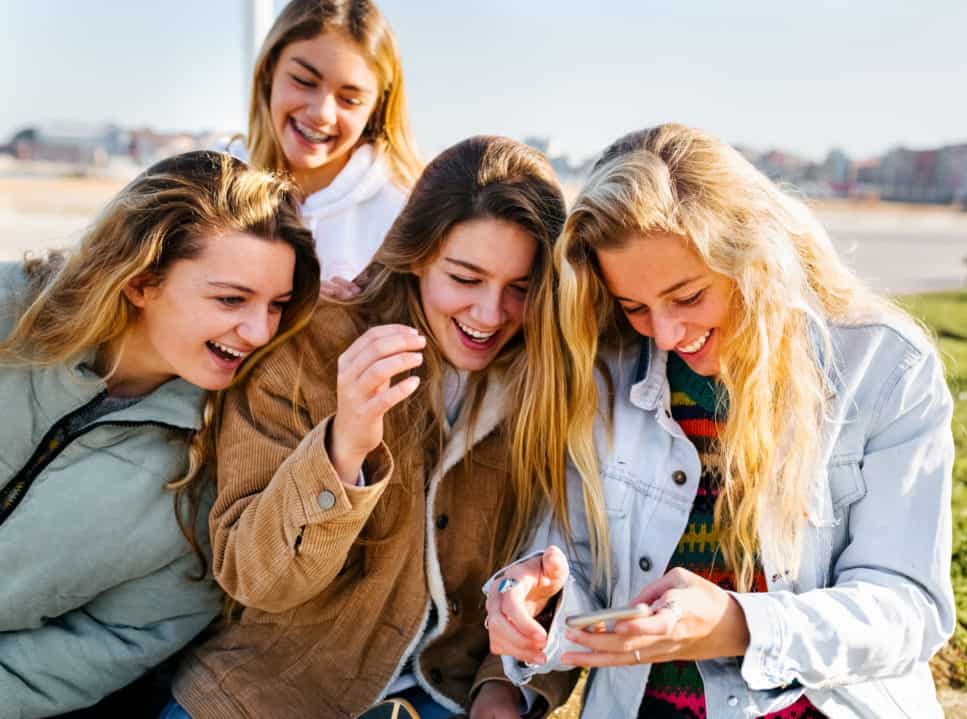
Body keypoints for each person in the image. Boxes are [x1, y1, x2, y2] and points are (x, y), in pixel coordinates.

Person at [484, 124, 956, 718]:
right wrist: (537, 599)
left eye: (688, 296)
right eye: (634, 306)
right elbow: (578, 567)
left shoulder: (884, 365)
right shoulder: (605, 367)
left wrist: (738, 625)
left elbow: (909, 608)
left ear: (756, 257)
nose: (665, 332)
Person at [169, 136, 571, 719]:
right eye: (464, 278)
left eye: (521, 288)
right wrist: (345, 444)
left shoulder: (552, 383)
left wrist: (503, 685)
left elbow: (570, 559)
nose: (490, 314)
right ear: (415, 255)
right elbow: (256, 579)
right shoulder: (310, 349)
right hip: (269, 692)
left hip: (447, 698)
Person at [0, 150, 320, 718]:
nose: (257, 330)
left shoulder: (216, 470)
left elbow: (115, 638)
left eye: (276, 305)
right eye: (231, 298)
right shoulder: (10, 315)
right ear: (142, 280)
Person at [230, 0, 420, 299]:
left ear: (377, 108)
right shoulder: (212, 186)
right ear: (269, 70)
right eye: (303, 81)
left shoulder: (405, 217)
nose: (322, 113)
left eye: (350, 100)